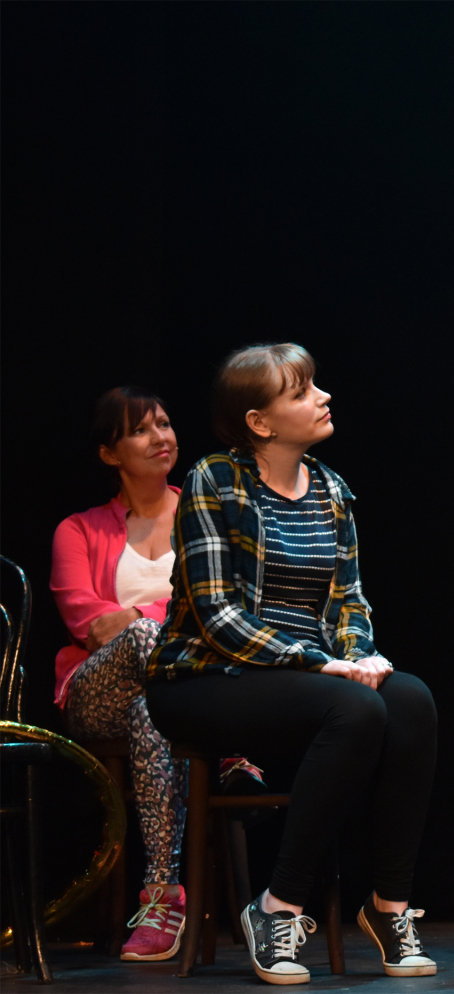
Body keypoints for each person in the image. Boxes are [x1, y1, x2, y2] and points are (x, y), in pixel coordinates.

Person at [146, 343, 438, 986]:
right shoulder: (213, 480)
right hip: (203, 677)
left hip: (305, 679)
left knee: (410, 700)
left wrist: (358, 656)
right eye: (301, 392)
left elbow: (349, 600)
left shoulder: (332, 490)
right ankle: (277, 906)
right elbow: (217, 614)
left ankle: (389, 906)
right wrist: (318, 663)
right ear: (260, 422)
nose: (322, 398)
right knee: (353, 708)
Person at [51, 387, 265, 962]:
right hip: (97, 692)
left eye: (165, 424)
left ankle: (162, 898)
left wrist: (136, 615)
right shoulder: (78, 530)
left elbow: (232, 606)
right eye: (140, 430)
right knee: (147, 642)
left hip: (172, 700)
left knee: (155, 708)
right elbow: (89, 623)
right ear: (109, 453)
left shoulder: (204, 516)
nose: (160, 437)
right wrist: (160, 619)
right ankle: (229, 751)